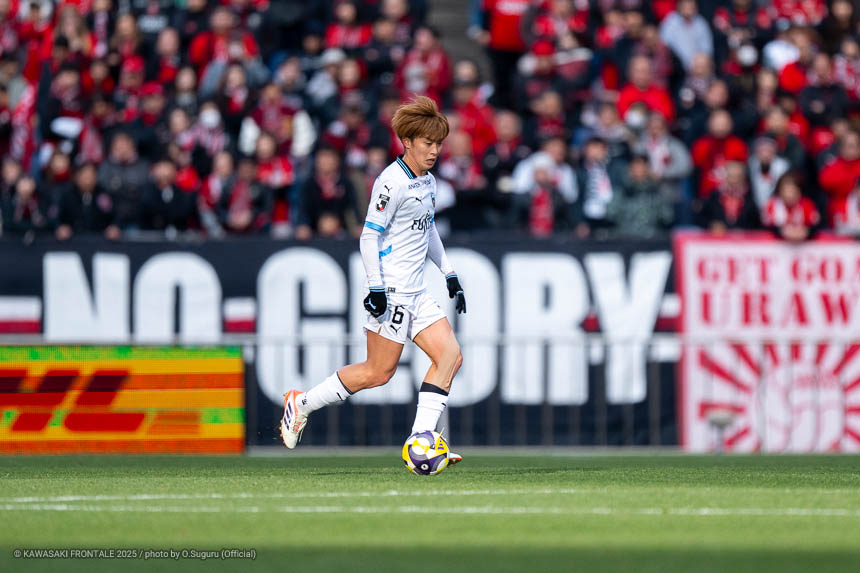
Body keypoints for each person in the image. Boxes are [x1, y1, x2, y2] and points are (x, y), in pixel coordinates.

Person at [280, 97, 465, 467]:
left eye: (439, 143)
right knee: (378, 372)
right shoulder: (391, 183)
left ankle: (420, 440)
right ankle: (301, 403)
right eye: (428, 143)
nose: (434, 151)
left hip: (417, 291)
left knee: (450, 357)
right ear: (407, 142)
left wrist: (449, 273)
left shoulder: (428, 182)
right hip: (392, 290)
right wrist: (376, 287)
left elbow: (427, 229)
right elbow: (369, 236)